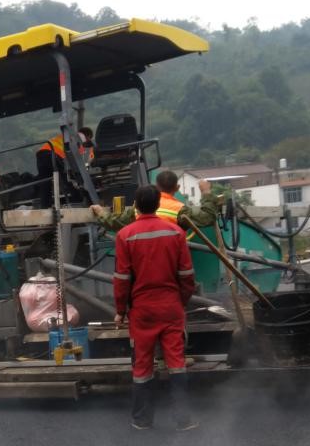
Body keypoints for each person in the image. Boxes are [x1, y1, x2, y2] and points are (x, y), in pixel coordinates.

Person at [114, 185, 199, 431]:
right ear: (158, 205)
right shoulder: (175, 232)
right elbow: (186, 274)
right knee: (176, 362)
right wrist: (180, 302)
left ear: (136, 206)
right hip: (171, 305)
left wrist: (121, 309)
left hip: (142, 310)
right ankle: (183, 419)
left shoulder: (125, 235)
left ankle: (142, 419)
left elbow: (122, 279)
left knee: (142, 365)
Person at [90, 170, 221, 234]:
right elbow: (207, 218)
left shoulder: (138, 208)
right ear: (177, 188)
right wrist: (206, 192)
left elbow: (115, 222)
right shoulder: (180, 210)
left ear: (156, 186)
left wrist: (101, 213)